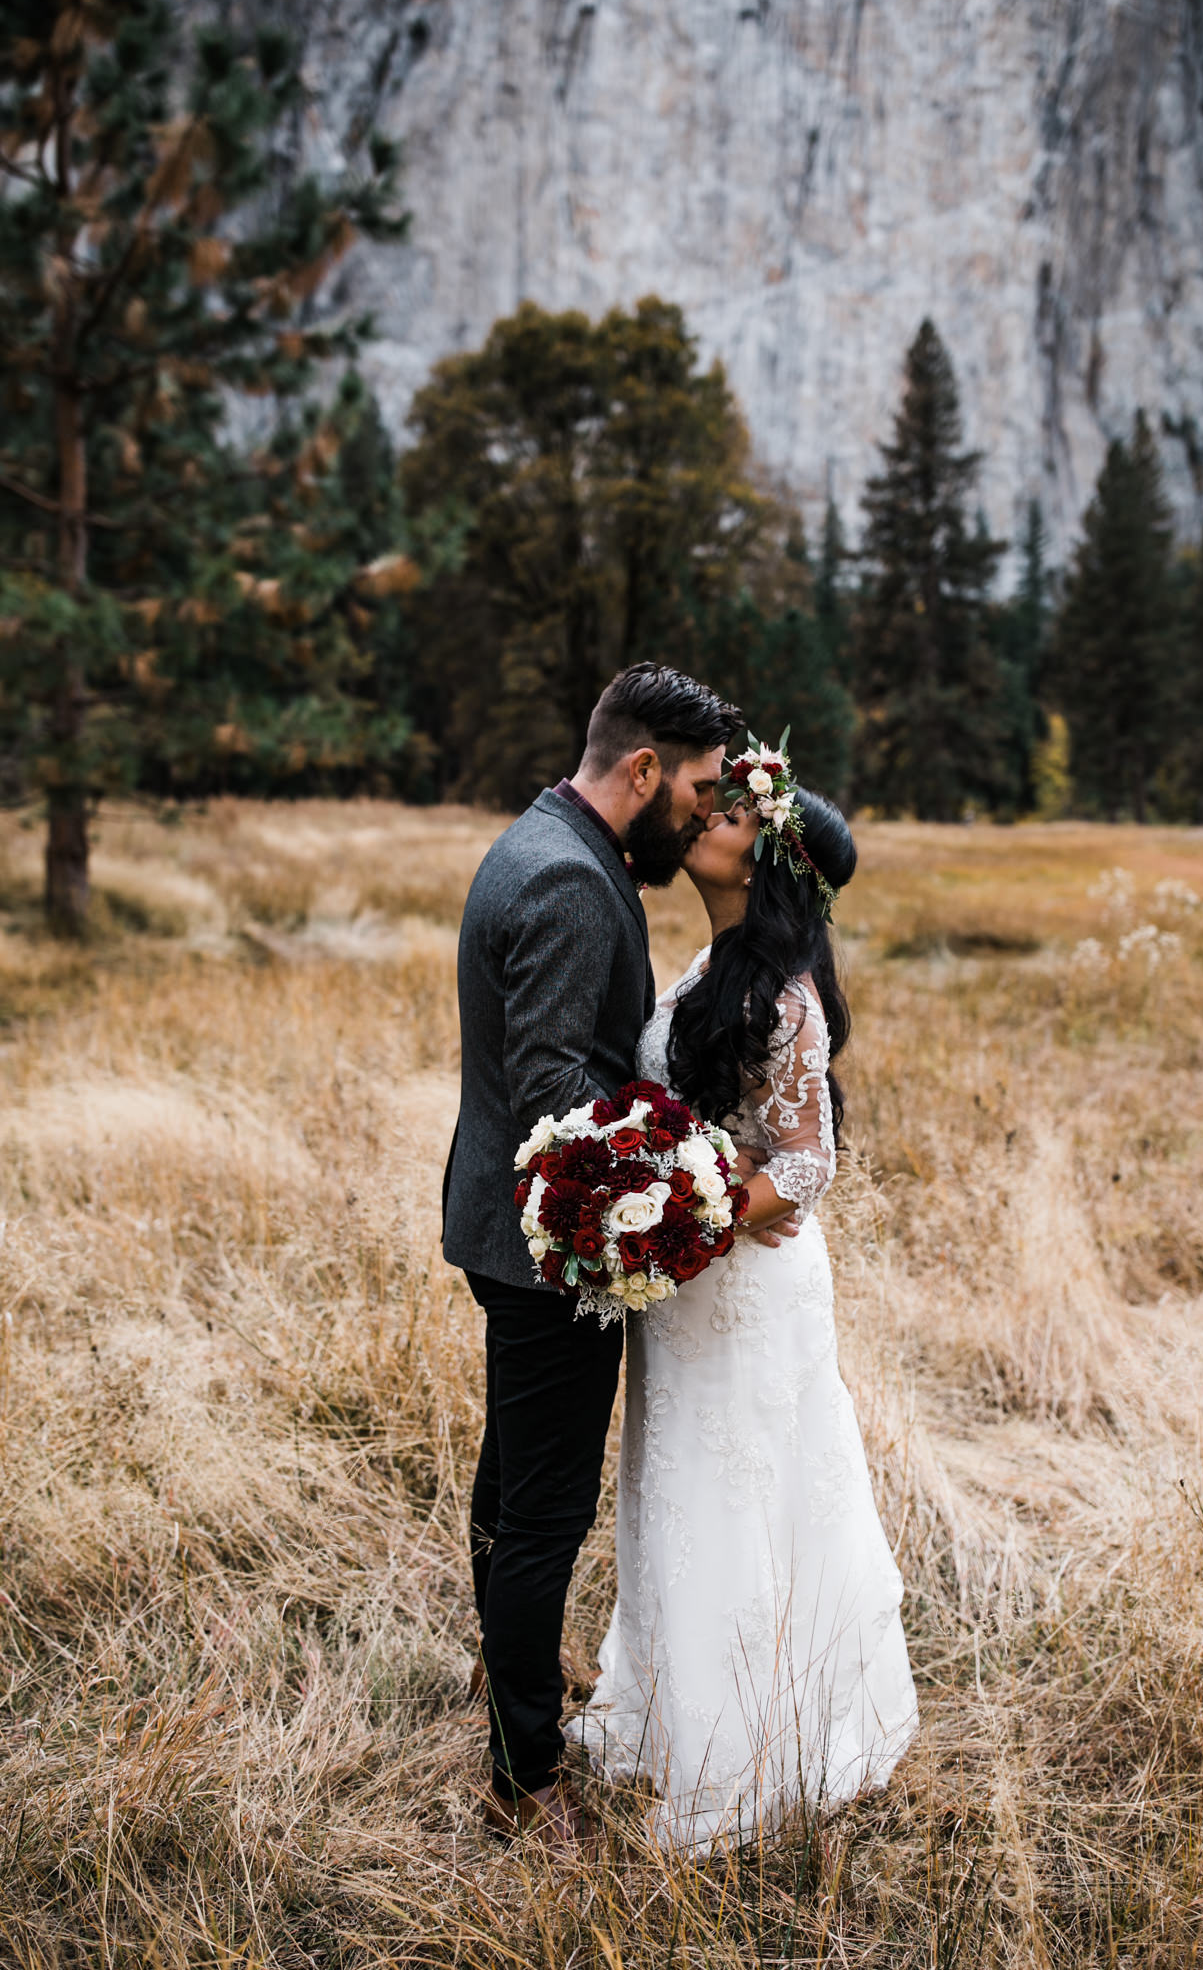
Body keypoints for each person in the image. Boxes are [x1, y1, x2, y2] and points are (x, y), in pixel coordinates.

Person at [443, 661, 771, 1850]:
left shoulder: (536, 836)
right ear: (641, 769)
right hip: (546, 1250)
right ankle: (526, 1776)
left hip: (500, 1224)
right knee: (541, 1514)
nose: (697, 812)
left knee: (507, 1489)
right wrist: (678, 1161)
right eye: (691, 787)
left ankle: (504, 1677)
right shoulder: (576, 886)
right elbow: (552, 1091)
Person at [568, 741, 919, 1850]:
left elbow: (808, 1164)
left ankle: (742, 1753)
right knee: (672, 1484)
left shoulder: (786, 997)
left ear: (769, 866)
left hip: (746, 1287)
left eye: (729, 817)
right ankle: (665, 1707)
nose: (705, 817)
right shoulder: (704, 972)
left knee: (740, 1494)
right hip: (683, 1287)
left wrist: (693, 1213)